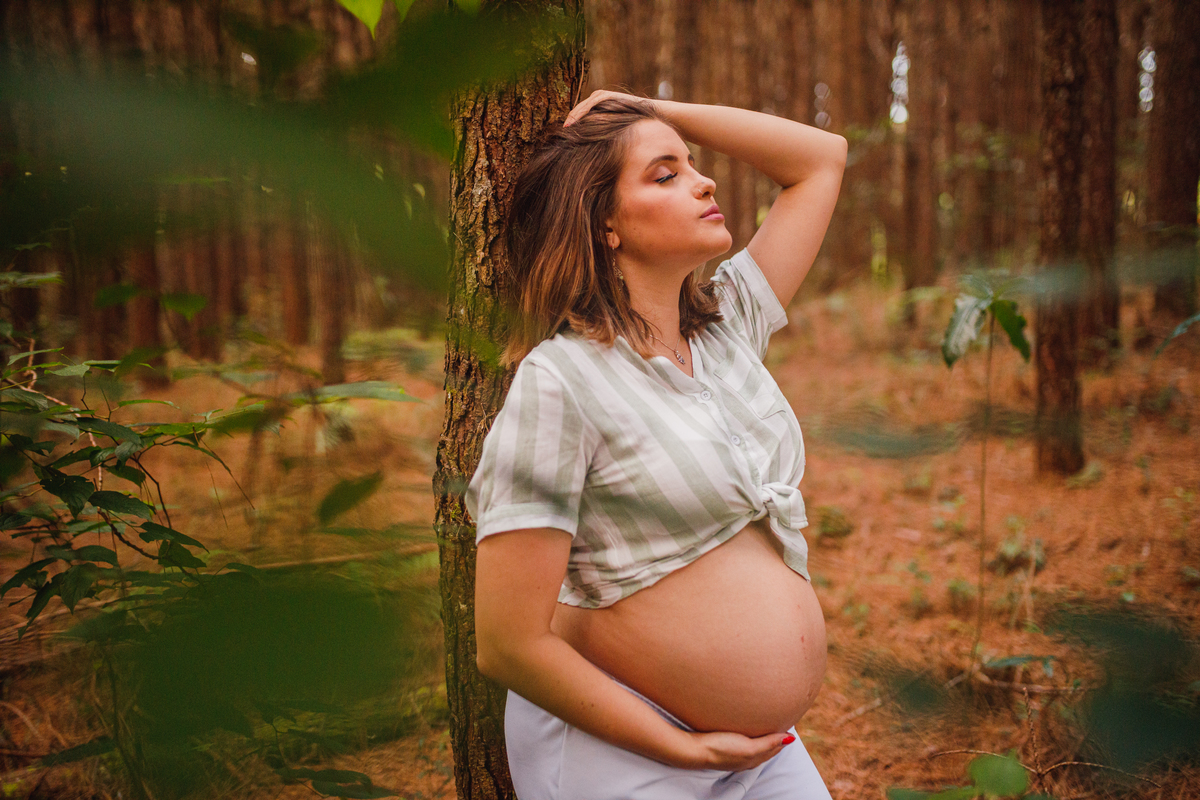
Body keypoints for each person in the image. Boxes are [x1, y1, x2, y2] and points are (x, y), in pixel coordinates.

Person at [467, 89, 847, 800]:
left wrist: (654, 108)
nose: (704, 182)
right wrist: (681, 747)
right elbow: (507, 643)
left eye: (693, 165)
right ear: (604, 224)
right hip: (623, 753)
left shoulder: (727, 327)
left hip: (758, 752)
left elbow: (821, 160)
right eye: (664, 174)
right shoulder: (562, 380)